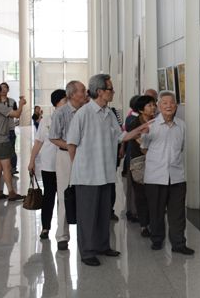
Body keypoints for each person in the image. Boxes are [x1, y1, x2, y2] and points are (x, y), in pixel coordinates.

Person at [66, 74, 149, 266]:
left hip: (105, 172)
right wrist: (78, 168)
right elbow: (71, 144)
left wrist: (139, 130)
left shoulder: (109, 113)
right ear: (100, 91)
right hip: (87, 176)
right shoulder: (83, 113)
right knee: (87, 216)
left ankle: (103, 245)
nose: (113, 92)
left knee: (104, 213)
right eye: (110, 89)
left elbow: (120, 136)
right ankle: (87, 252)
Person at [141, 91, 194, 255]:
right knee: (156, 211)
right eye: (164, 103)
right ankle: (157, 240)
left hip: (177, 176)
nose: (169, 106)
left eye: (171, 103)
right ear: (158, 106)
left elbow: (182, 148)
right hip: (155, 176)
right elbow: (144, 148)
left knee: (177, 213)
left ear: (176, 106)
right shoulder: (150, 126)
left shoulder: (182, 125)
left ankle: (178, 243)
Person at [49, 80, 86, 251]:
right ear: (72, 94)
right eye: (82, 91)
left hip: (86, 156)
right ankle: (62, 236)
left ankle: (85, 232)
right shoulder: (61, 113)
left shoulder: (87, 111)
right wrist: (71, 146)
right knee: (65, 194)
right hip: (65, 156)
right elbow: (53, 137)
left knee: (86, 193)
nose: (85, 94)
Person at [28, 90, 67, 240]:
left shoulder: (71, 118)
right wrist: (31, 161)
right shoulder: (46, 120)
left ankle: (62, 230)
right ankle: (45, 227)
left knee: (63, 198)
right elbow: (38, 142)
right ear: (57, 103)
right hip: (49, 165)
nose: (67, 104)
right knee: (49, 196)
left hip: (65, 164)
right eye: (65, 101)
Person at [127, 95, 156, 237]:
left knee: (154, 193)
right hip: (139, 161)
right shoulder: (134, 124)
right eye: (149, 105)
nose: (153, 108)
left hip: (156, 161)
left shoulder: (157, 122)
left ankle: (153, 222)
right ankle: (144, 224)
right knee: (141, 194)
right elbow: (142, 144)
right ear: (141, 109)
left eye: (153, 105)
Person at [0, 83, 18, 174]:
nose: (3, 89)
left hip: (10, 129)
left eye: (5, 87)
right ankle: (1, 168)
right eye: (1, 88)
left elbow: (16, 113)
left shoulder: (12, 101)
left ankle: (13, 168)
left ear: (8, 89)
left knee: (11, 149)